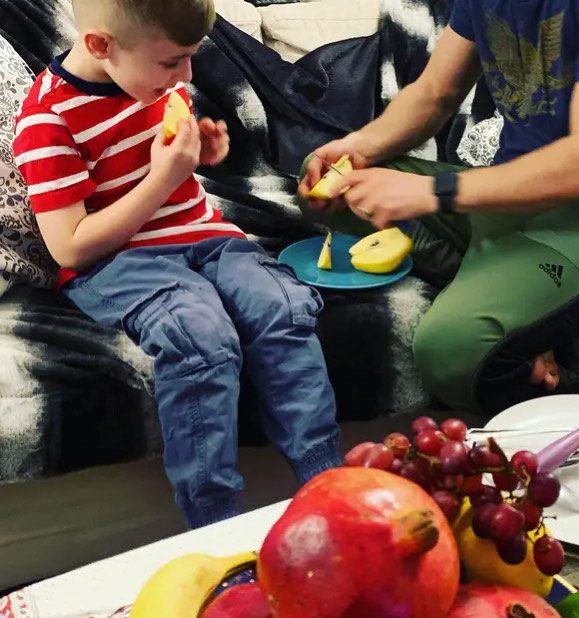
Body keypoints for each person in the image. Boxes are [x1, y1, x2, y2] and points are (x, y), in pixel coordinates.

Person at [12, 0, 341, 528]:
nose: (186, 76)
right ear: (101, 46)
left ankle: (327, 481)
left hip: (204, 234)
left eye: (191, 58)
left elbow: (167, 166)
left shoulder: (150, 75)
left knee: (282, 305)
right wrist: (163, 177)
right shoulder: (46, 122)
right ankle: (213, 521)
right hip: (117, 260)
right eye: (172, 63)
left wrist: (202, 154)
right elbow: (69, 247)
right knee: (198, 336)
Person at [299, 0, 579, 415]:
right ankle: (520, 315)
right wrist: (357, 148)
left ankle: (568, 400)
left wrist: (429, 192)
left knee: (451, 349)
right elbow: (435, 91)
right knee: (331, 190)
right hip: (515, 194)